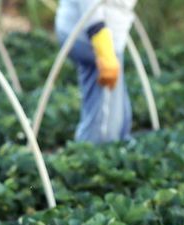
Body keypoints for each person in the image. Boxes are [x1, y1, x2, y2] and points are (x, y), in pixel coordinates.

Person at [55, 0, 136, 144]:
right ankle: (89, 159)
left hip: (104, 37)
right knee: (105, 129)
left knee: (120, 119)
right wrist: (100, 40)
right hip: (95, 37)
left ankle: (105, 153)